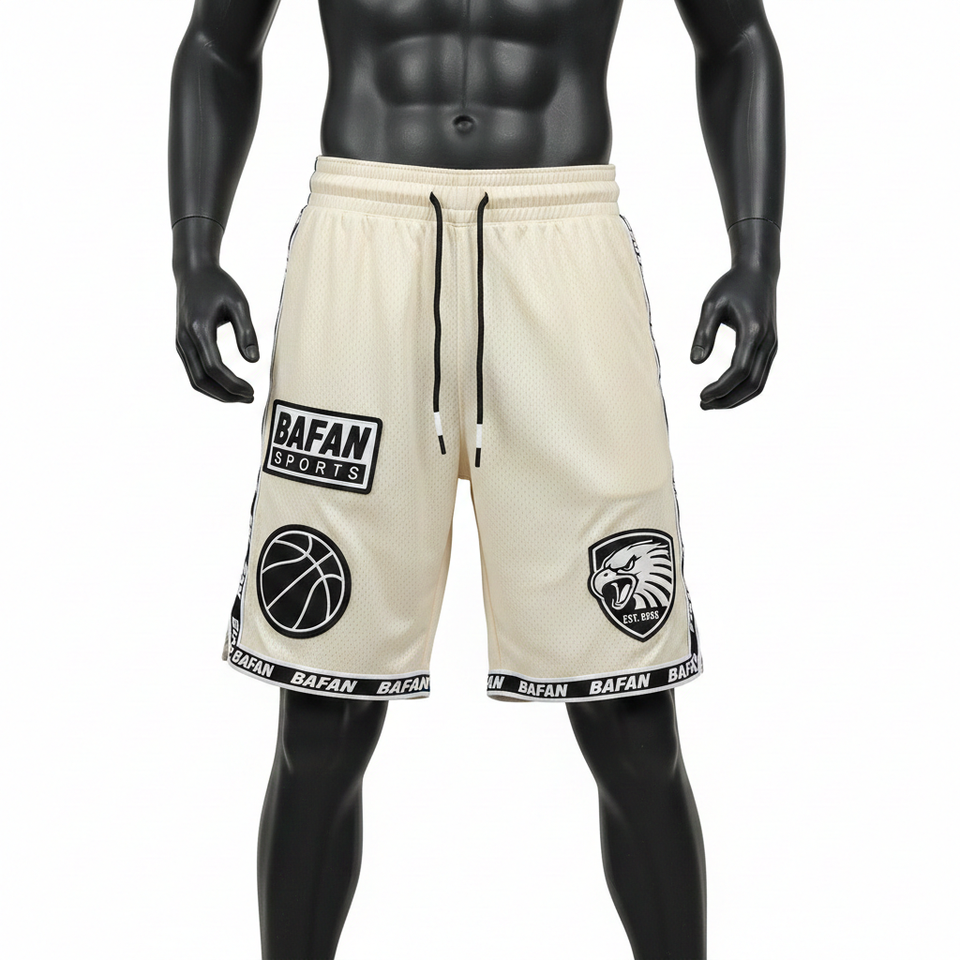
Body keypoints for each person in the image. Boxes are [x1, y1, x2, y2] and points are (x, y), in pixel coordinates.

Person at [169, 0, 784, 956]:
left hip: (564, 248)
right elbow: (218, 41)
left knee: (632, 717)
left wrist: (757, 257)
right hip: (362, 244)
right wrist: (193, 254)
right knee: (320, 722)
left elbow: (736, 37)